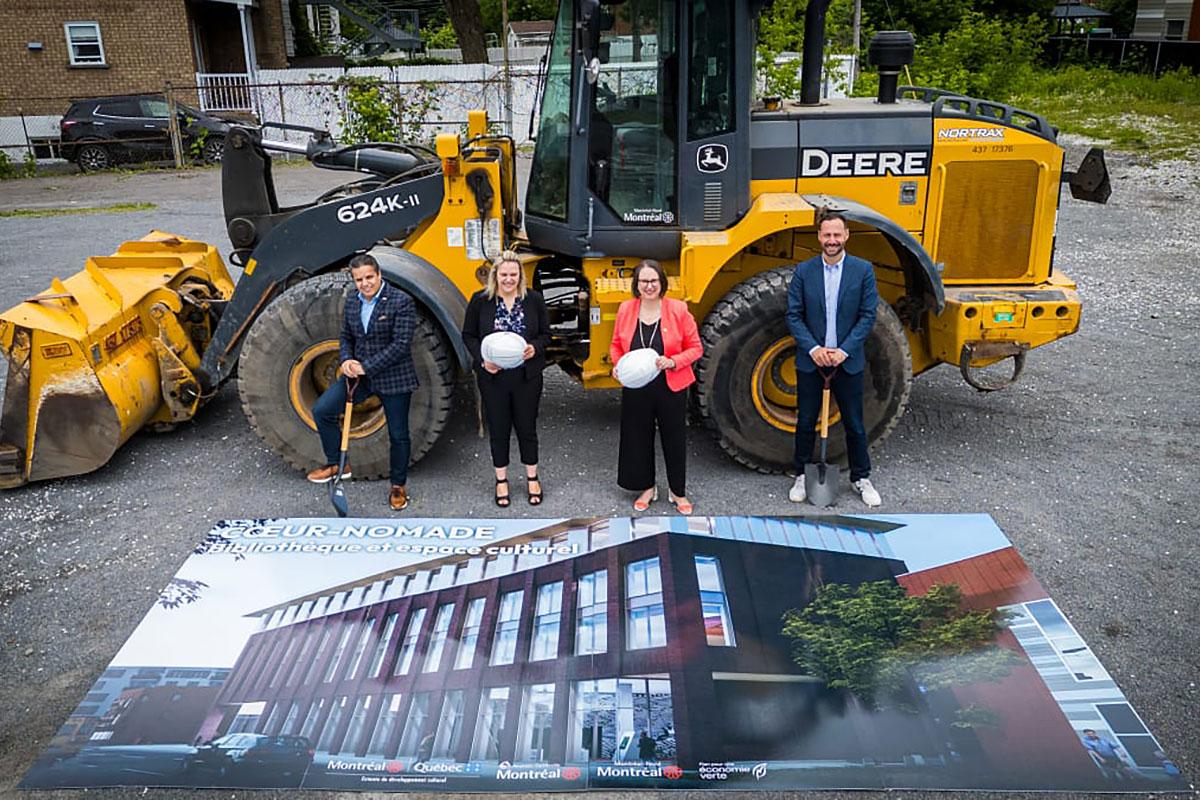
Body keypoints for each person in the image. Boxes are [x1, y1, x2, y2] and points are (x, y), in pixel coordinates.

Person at [307, 254, 417, 511]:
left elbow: (400, 346)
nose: (365, 283)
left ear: (379, 275)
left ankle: (398, 486)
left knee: (398, 435)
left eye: (369, 277)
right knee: (322, 410)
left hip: (393, 377)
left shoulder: (402, 302)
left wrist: (365, 367)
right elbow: (346, 336)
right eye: (359, 279)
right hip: (359, 377)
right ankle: (338, 463)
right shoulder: (353, 302)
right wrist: (346, 360)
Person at [786, 211, 881, 507]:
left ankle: (861, 477)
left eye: (837, 235)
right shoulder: (804, 271)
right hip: (811, 360)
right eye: (827, 235)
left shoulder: (862, 271)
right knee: (805, 421)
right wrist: (814, 349)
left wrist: (844, 350)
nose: (832, 241)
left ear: (846, 236)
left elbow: (867, 316)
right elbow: (793, 314)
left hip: (847, 361)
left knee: (854, 423)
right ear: (819, 237)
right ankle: (801, 474)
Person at [610, 259, 703, 514]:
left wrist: (673, 361)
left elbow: (696, 348)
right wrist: (618, 366)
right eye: (644, 281)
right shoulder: (626, 309)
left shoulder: (678, 309)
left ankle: (677, 492)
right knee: (638, 438)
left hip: (670, 385)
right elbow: (616, 345)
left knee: (674, 438)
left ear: (662, 282)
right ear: (636, 285)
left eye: (653, 281)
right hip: (637, 386)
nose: (649, 286)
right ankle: (647, 487)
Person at [462, 251, 549, 506]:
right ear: (495, 276)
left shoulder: (533, 300)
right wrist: (481, 360)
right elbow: (468, 335)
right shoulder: (480, 301)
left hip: (526, 376)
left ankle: (532, 477)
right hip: (493, 377)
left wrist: (535, 347)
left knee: (527, 428)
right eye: (504, 275)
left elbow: (546, 334)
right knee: (499, 429)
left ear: (520, 275)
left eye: (513, 274)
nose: (509, 279)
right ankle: (501, 480)